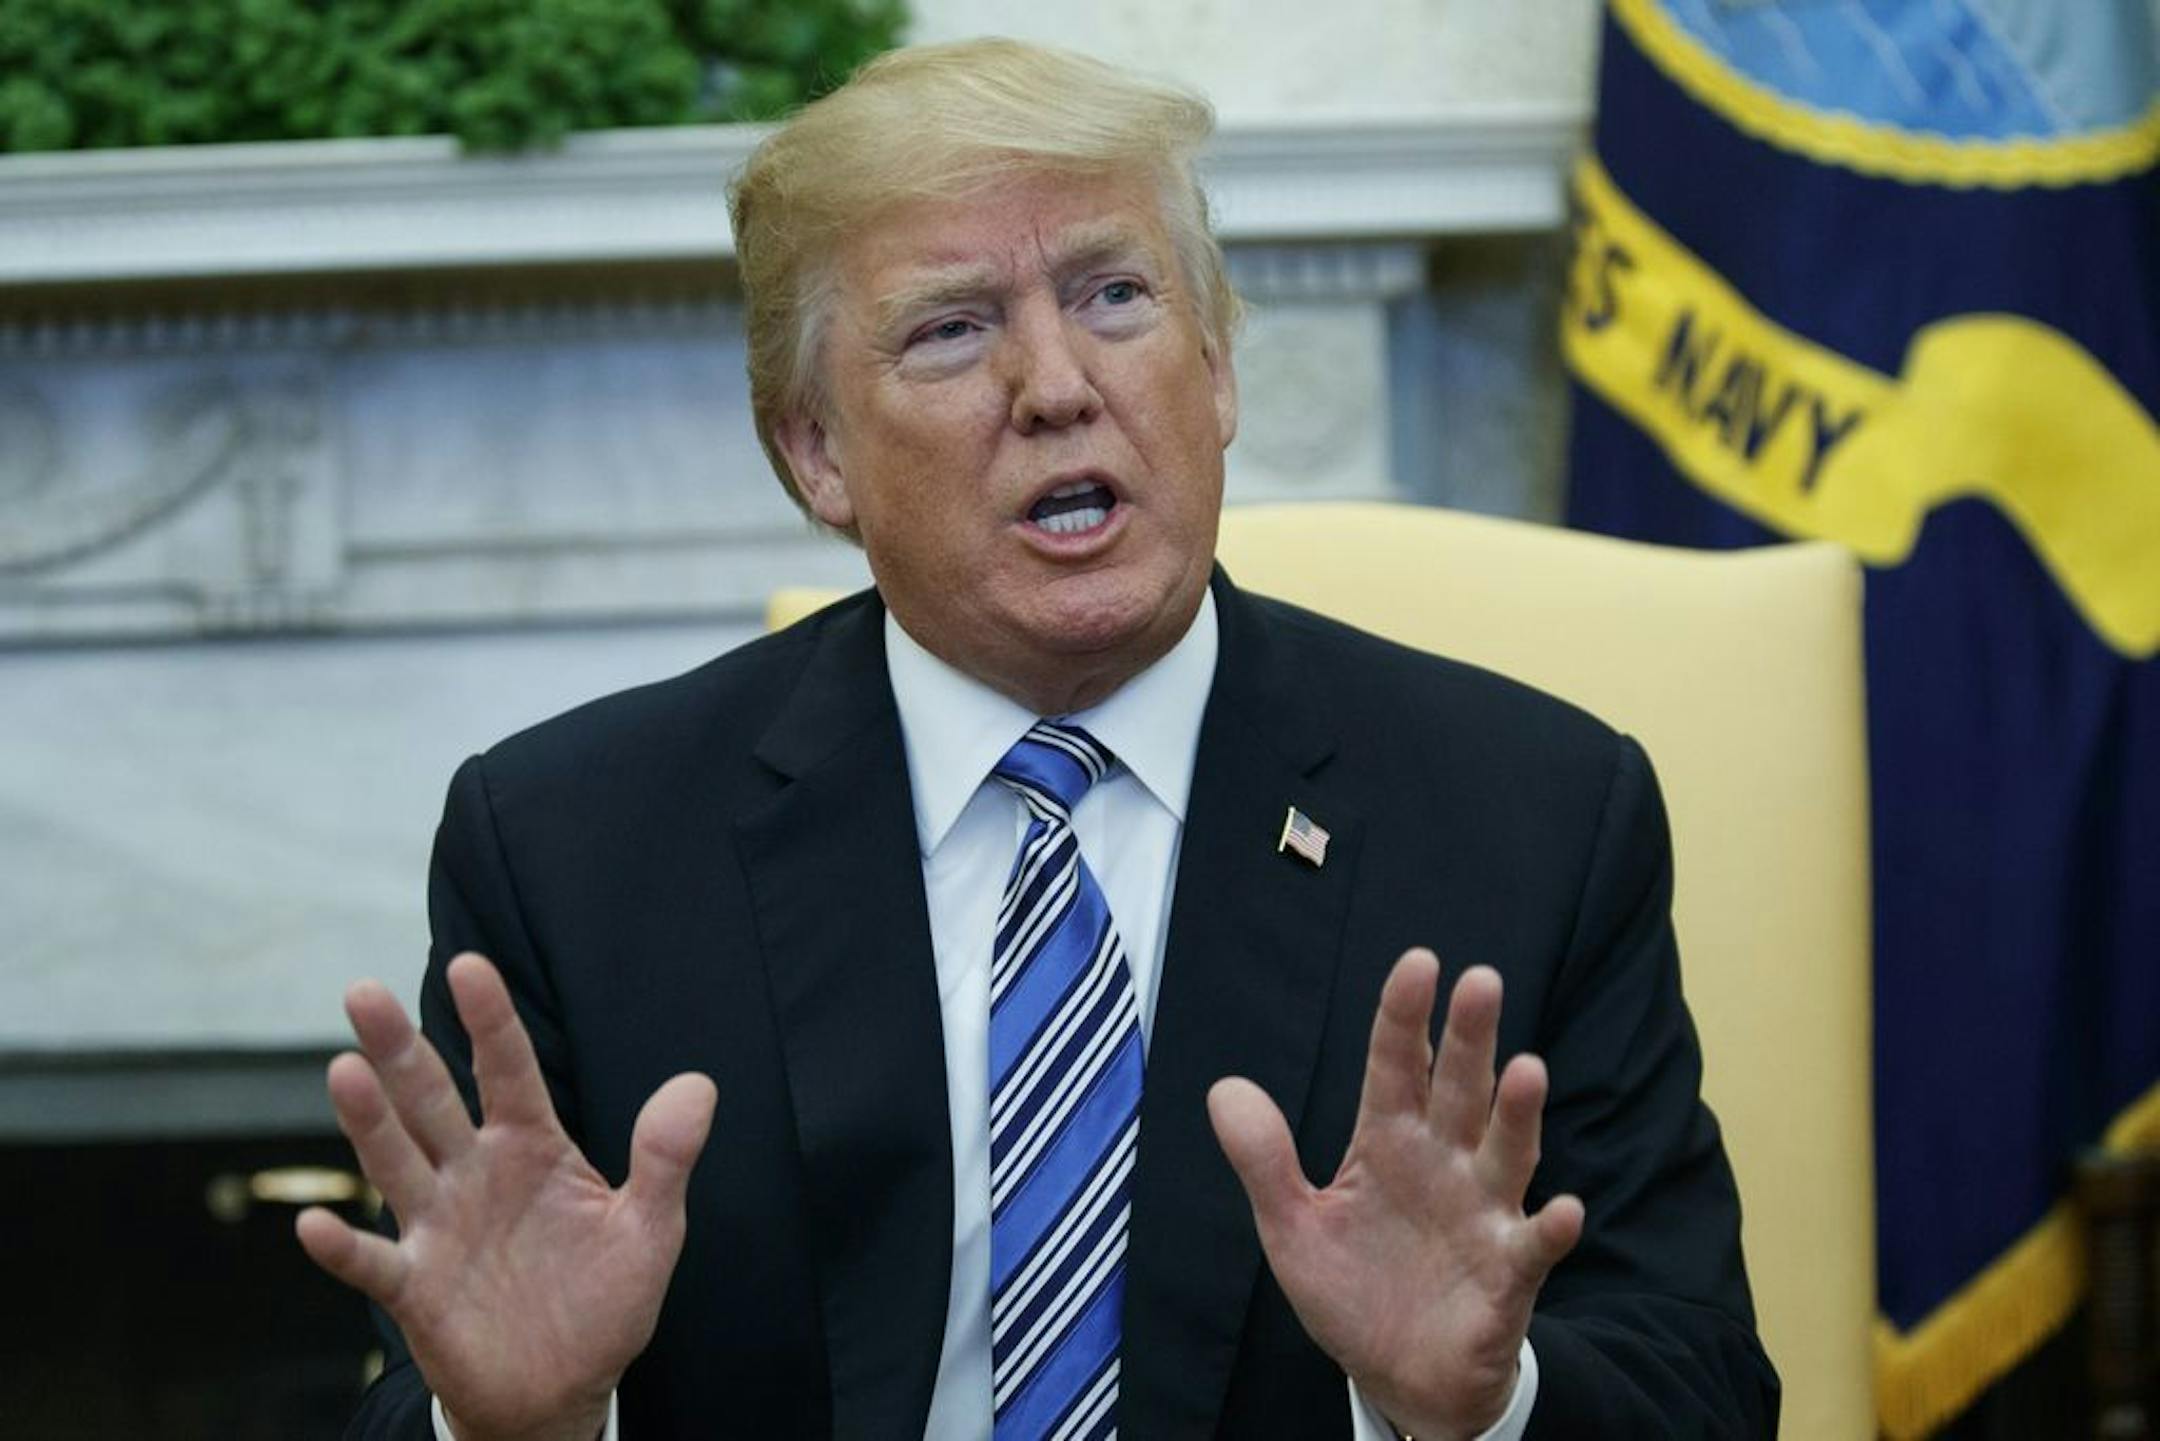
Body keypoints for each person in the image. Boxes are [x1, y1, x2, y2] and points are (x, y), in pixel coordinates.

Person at [297, 38, 1778, 1441]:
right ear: (815, 451)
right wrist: (528, 1426)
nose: (1059, 386)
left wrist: (1483, 1402)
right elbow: (424, 1386)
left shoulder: (1532, 816)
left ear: (1218, 370)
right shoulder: (572, 851)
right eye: (952, 330)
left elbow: (1703, 1382)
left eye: (1117, 297)